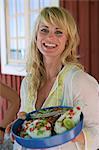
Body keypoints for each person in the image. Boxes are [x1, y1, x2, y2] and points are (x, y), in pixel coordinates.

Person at [14, 7, 99, 150]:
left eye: (58, 32)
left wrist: (70, 133)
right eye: (44, 30)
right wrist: (22, 127)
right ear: (36, 36)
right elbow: (26, 124)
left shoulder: (80, 81)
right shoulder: (28, 83)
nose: (49, 38)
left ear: (68, 41)